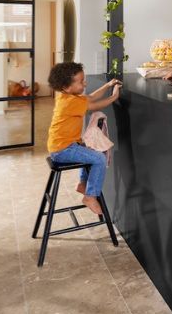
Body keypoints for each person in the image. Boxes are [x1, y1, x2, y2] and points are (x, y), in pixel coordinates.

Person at [46, 62, 121, 215]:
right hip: (63, 150)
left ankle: (82, 183)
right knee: (99, 158)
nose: (85, 83)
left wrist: (108, 85)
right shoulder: (70, 103)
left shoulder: (67, 97)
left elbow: (92, 97)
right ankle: (90, 196)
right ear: (67, 87)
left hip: (63, 146)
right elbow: (95, 105)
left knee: (88, 148)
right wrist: (114, 96)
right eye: (81, 81)